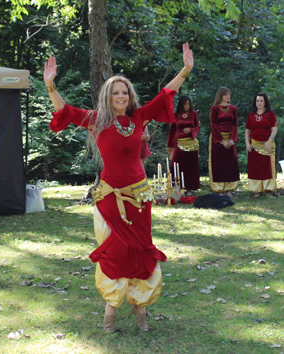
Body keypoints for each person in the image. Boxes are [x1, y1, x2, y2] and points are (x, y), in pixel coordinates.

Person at [44, 43, 194, 333]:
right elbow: (65, 111)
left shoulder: (138, 118)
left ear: (130, 96)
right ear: (108, 97)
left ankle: (141, 311)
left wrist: (185, 70)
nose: (121, 96)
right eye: (116, 92)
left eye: (125, 92)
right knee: (115, 252)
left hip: (139, 197)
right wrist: (50, 86)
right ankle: (109, 312)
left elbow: (167, 95)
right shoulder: (96, 119)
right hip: (110, 197)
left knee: (141, 249)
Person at [245, 93, 278, 197]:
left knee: (268, 168)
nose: (259, 103)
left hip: (267, 145)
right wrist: (247, 143)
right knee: (255, 169)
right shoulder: (251, 115)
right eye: (257, 100)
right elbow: (247, 130)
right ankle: (257, 190)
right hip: (254, 145)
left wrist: (269, 141)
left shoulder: (270, 114)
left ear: (265, 102)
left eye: (261, 100)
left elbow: (274, 129)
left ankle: (268, 190)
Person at [209, 87, 240, 197]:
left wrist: (232, 139)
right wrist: (222, 140)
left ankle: (229, 189)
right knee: (219, 164)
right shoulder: (215, 109)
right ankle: (219, 189)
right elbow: (213, 125)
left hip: (230, 139)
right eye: (226, 94)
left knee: (230, 164)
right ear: (220, 96)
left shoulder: (233, 109)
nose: (228, 96)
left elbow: (235, 125)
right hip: (218, 139)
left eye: (229, 94)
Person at [167, 95, 200, 194]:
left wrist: (191, 130)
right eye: (185, 104)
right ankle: (177, 187)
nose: (187, 106)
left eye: (188, 104)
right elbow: (172, 130)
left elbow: (197, 127)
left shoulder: (193, 113)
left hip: (191, 143)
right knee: (175, 164)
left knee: (191, 166)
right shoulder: (175, 115)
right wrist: (169, 145)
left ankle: (189, 188)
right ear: (181, 105)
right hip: (179, 143)